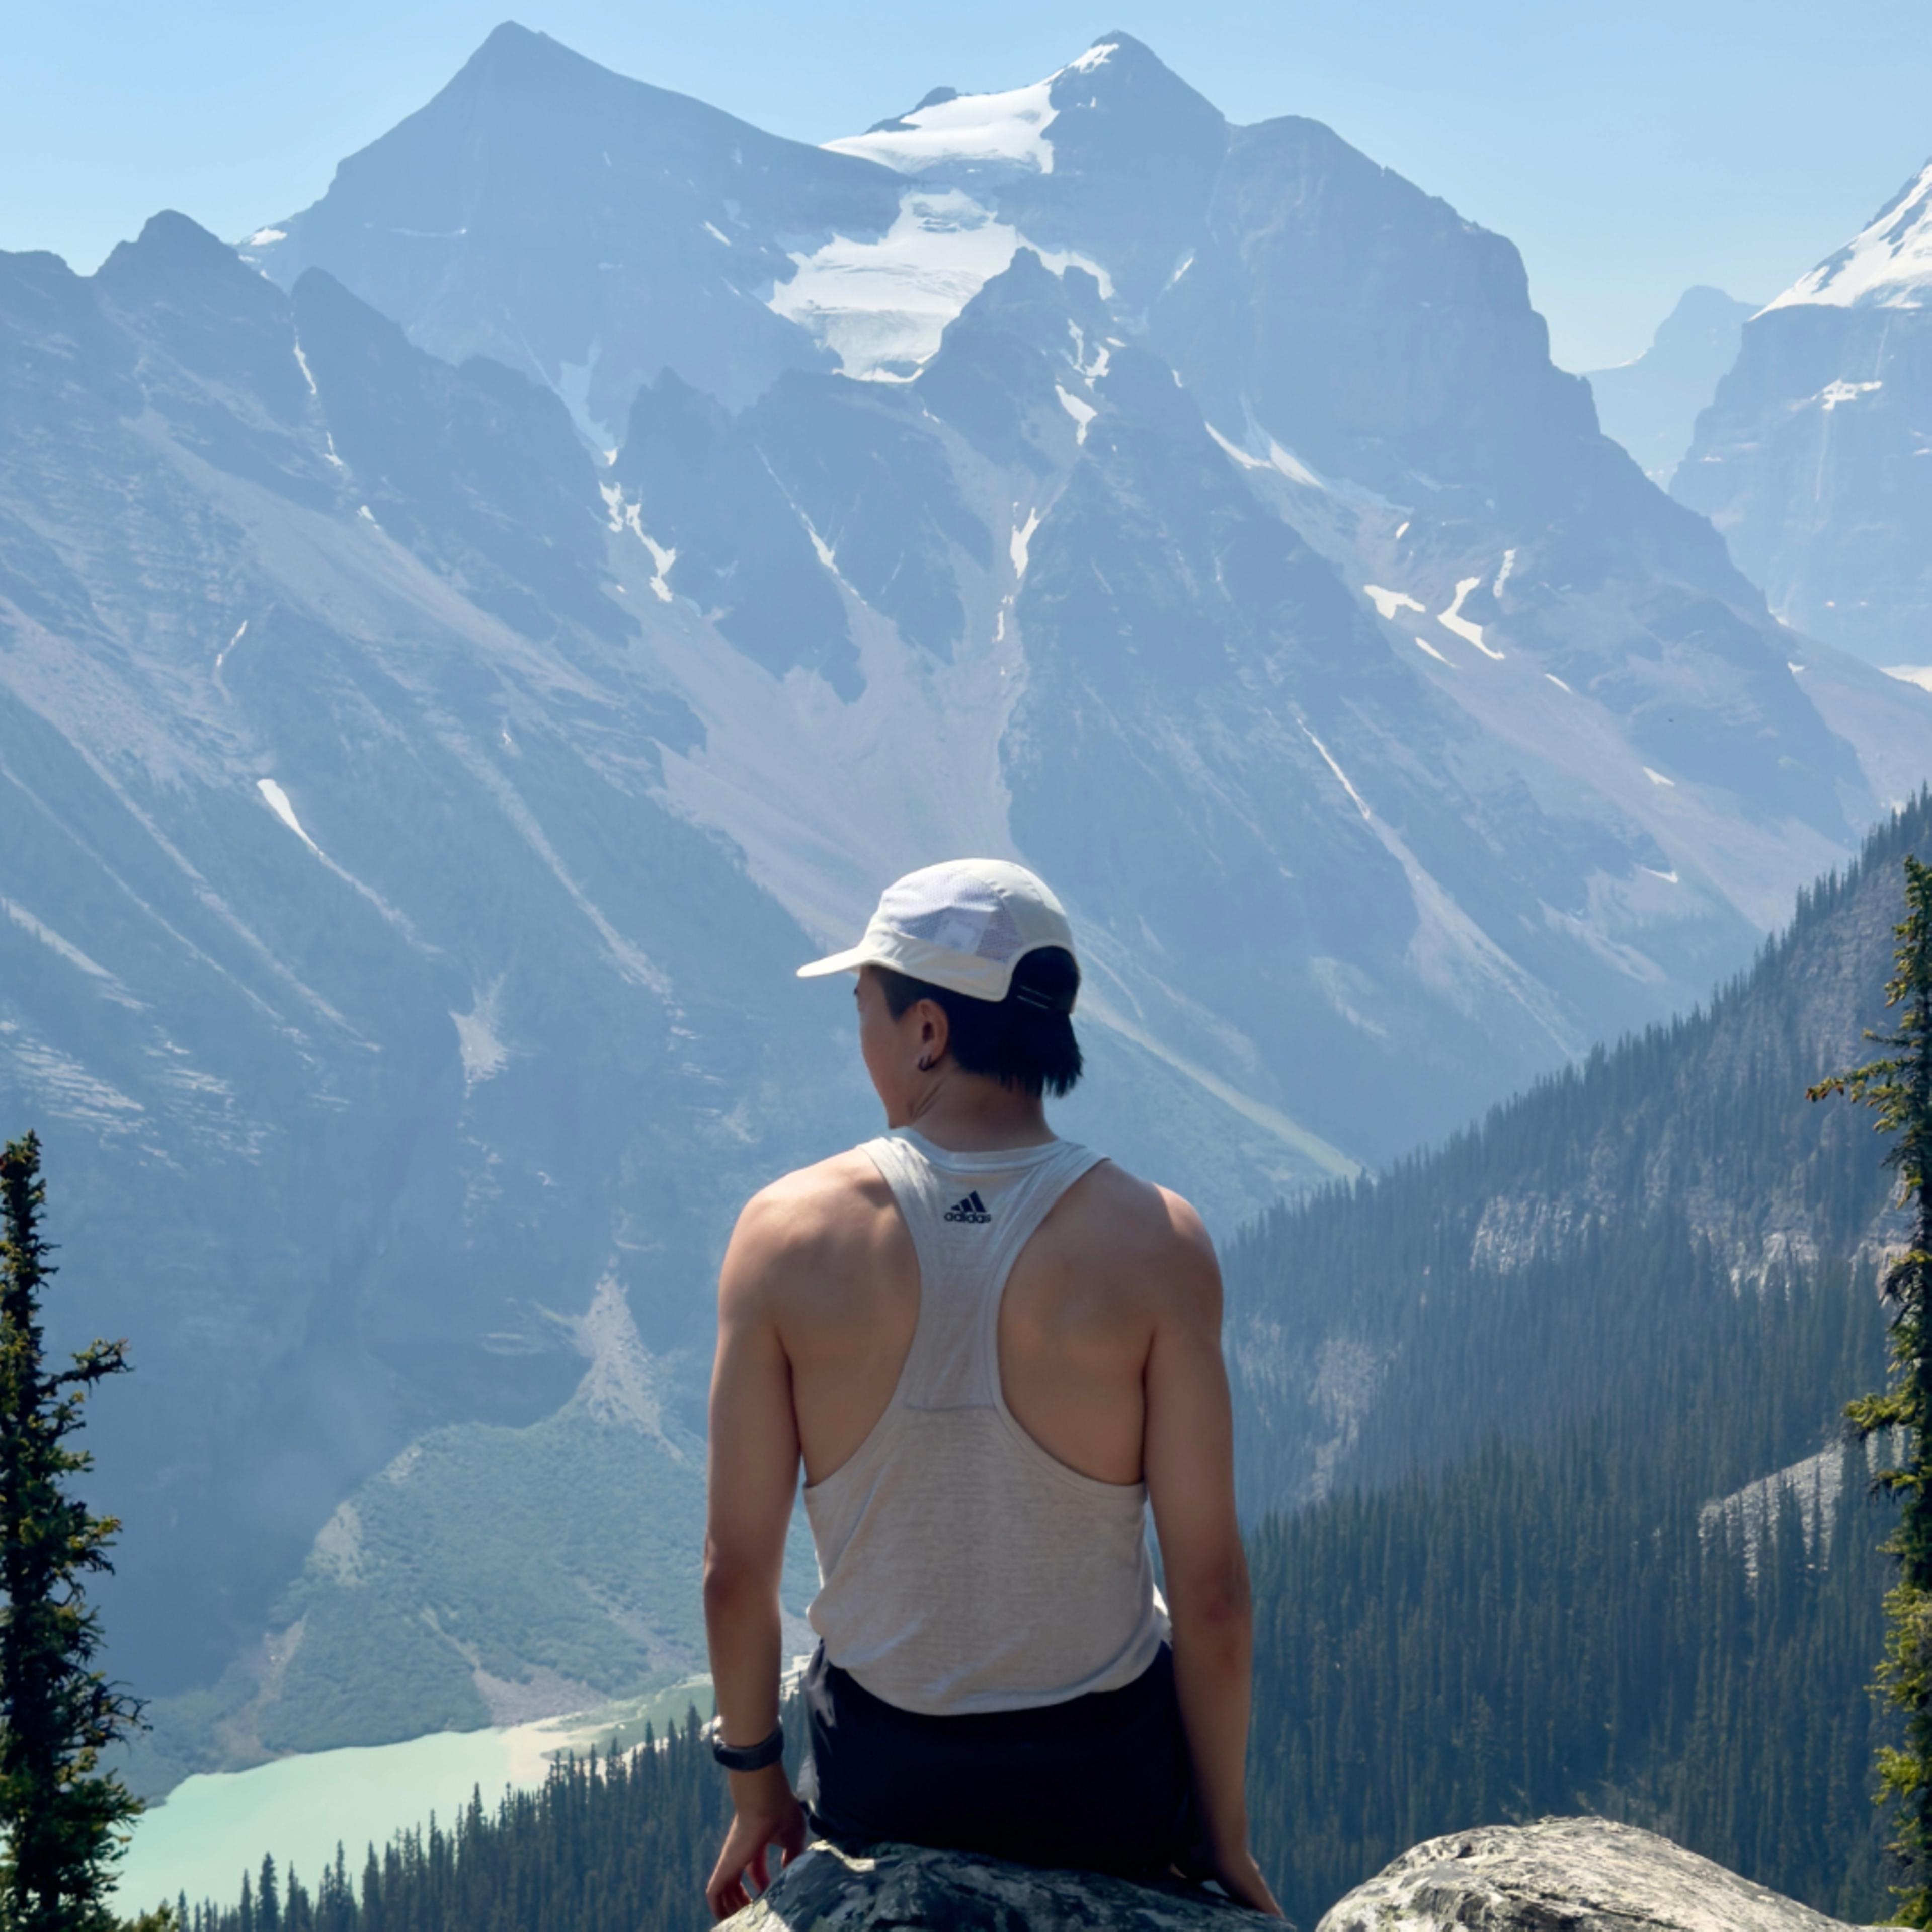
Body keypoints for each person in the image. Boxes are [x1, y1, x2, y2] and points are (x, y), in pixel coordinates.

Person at [701, 858, 1281, 1920]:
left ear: (927, 1032)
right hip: (1101, 1788)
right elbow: (1212, 1597)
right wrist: (1222, 1837)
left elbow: (736, 1572)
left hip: (887, 1783)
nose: (861, 1036)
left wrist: (756, 1790)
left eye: (864, 1007)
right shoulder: (1159, 1242)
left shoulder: (783, 1238)